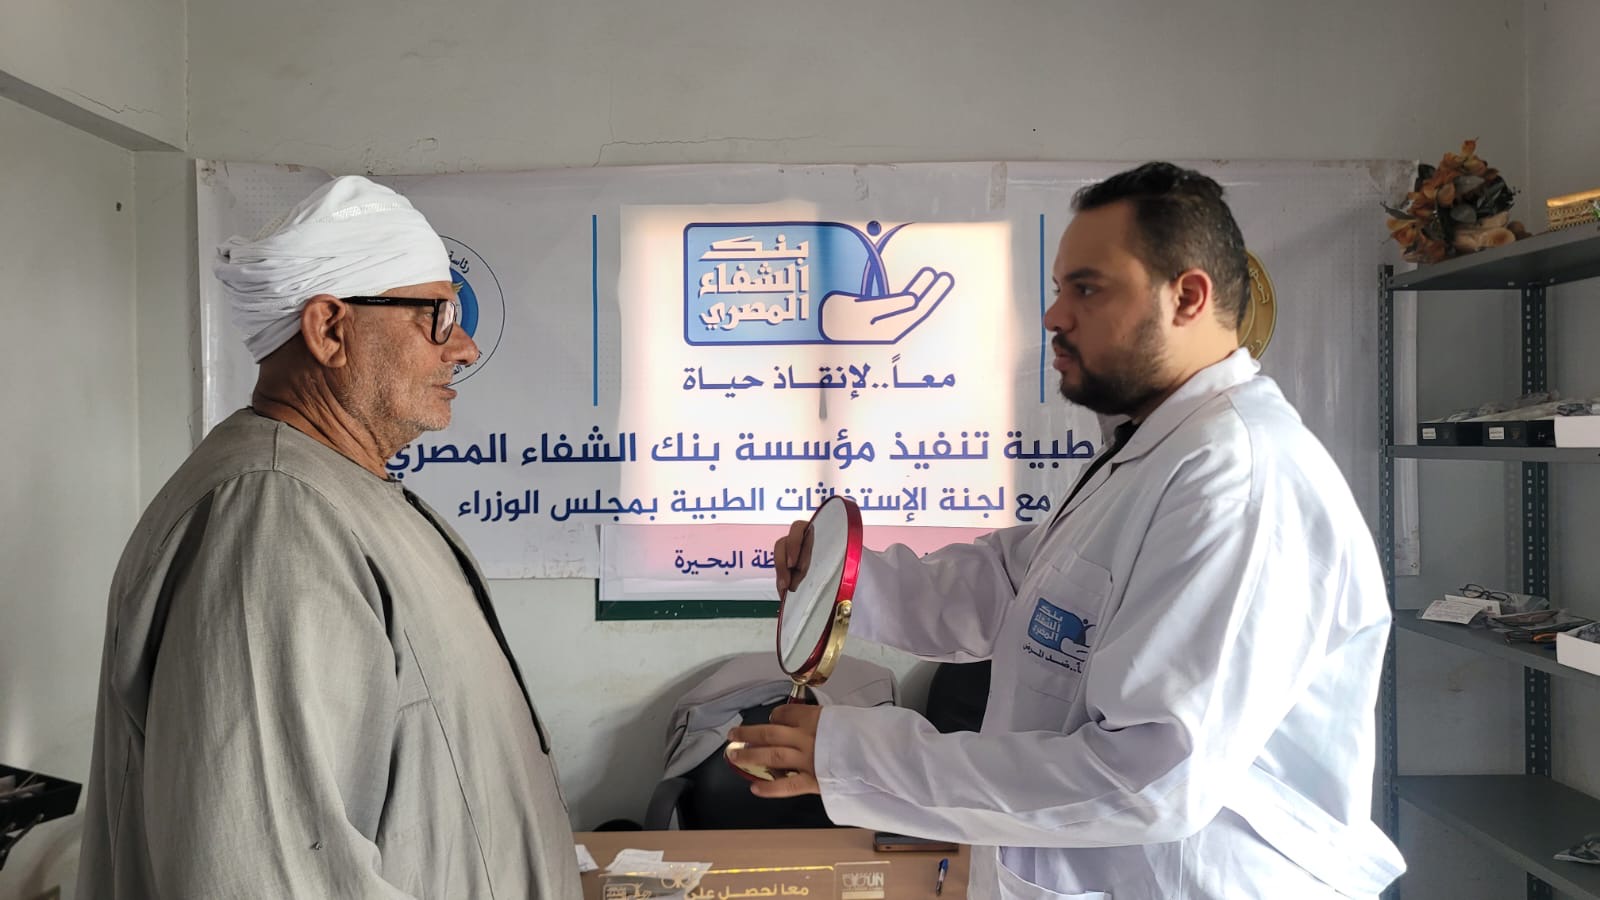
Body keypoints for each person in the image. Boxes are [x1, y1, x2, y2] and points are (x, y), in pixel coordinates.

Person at [730, 162, 1405, 899]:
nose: (1054, 316)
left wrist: (857, 756)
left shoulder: (1237, 479)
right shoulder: (1155, 451)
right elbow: (1018, 587)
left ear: (1187, 297)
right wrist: (842, 581)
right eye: (1058, 289)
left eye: (1087, 289)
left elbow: (1148, 778)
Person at [77, 176, 579, 899]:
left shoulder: (333, 493)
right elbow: (267, 871)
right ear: (329, 330)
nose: (464, 348)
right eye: (438, 317)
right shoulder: (270, 518)